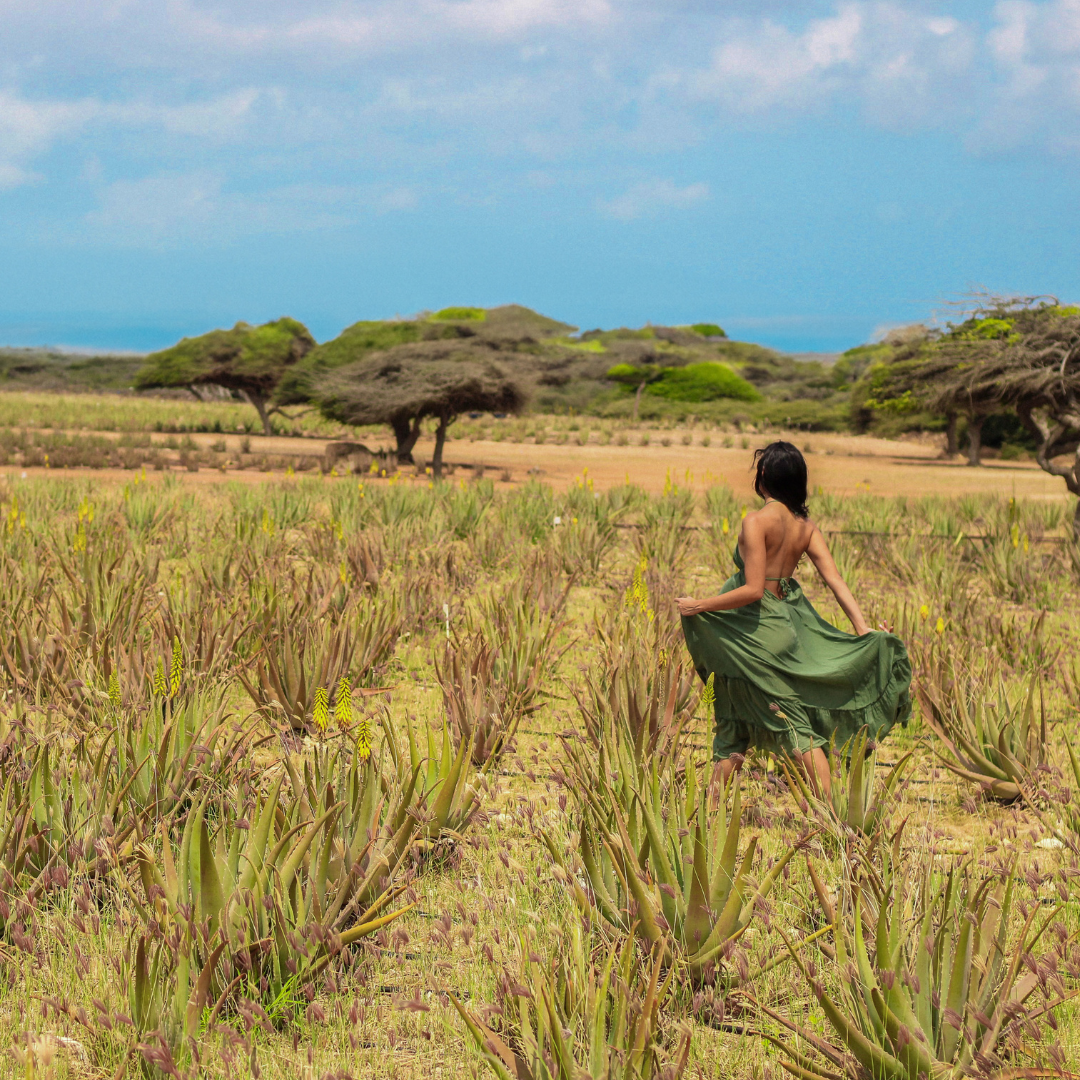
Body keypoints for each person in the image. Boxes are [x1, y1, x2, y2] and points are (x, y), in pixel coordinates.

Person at [676, 441, 911, 794]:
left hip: (756, 632)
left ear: (764, 476)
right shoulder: (805, 526)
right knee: (734, 719)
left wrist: (700, 605)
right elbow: (835, 580)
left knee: (794, 725)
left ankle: (832, 816)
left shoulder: (755, 521)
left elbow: (754, 589)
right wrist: (862, 629)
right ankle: (707, 816)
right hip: (786, 624)